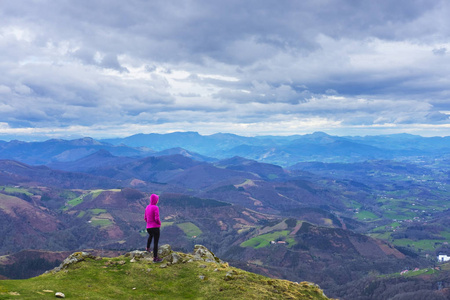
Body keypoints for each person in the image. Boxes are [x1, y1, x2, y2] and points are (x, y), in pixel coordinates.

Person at [145, 194, 162, 262]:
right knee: (156, 242)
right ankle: (155, 258)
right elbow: (156, 218)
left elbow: (145, 218)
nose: (157, 201)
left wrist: (149, 223)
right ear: (155, 200)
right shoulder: (155, 207)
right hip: (155, 227)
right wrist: (159, 223)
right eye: (157, 199)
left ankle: (148, 248)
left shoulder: (147, 207)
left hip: (148, 227)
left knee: (150, 236)